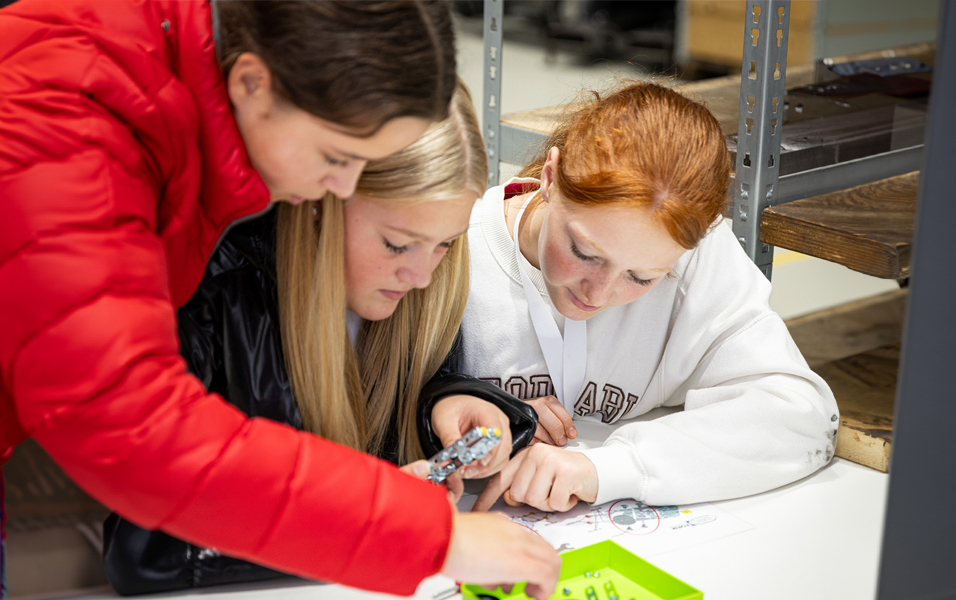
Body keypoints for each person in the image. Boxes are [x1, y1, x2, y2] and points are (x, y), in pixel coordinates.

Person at [0, 1, 559, 598]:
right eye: (337, 158)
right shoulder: (72, 121)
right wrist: (428, 536)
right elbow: (134, 429)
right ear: (250, 83)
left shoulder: (161, 80)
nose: (340, 191)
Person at [102, 80, 539, 594]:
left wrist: (446, 403)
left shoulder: (426, 285)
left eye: (445, 243)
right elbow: (145, 548)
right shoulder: (213, 290)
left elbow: (394, 419)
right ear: (323, 201)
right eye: (398, 244)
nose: (420, 275)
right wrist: (377, 519)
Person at [450, 81, 840, 513]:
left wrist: (612, 468)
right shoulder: (455, 250)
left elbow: (803, 417)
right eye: (584, 252)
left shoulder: (692, 252)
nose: (598, 294)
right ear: (550, 177)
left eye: (641, 277)